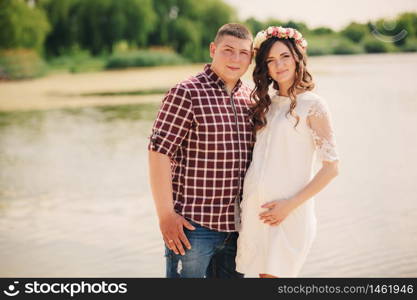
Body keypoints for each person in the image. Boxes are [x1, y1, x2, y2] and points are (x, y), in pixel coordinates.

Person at [148, 23, 254, 278]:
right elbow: (158, 152)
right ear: (213, 49)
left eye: (243, 53)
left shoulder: (251, 98)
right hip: (193, 228)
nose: (235, 59)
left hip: (238, 230)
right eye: (228, 50)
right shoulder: (186, 92)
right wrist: (165, 215)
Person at [235, 26, 340, 278]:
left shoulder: (313, 105)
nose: (278, 65)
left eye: (284, 56)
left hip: (288, 214)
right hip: (255, 210)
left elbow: (332, 168)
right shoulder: (265, 105)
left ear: (297, 57)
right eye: (270, 60)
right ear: (265, 68)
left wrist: (288, 206)